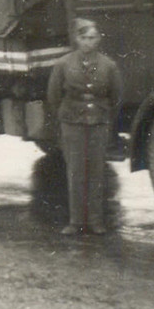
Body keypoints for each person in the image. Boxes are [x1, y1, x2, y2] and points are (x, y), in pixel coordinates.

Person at [46, 18, 122, 236]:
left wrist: (104, 117)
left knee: (96, 172)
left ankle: (96, 221)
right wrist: (66, 116)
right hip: (73, 122)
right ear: (77, 39)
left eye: (92, 38)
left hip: (98, 122)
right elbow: (53, 95)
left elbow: (116, 97)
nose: (89, 42)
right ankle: (76, 221)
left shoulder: (109, 65)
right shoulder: (63, 64)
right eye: (84, 38)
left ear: (98, 40)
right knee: (76, 171)